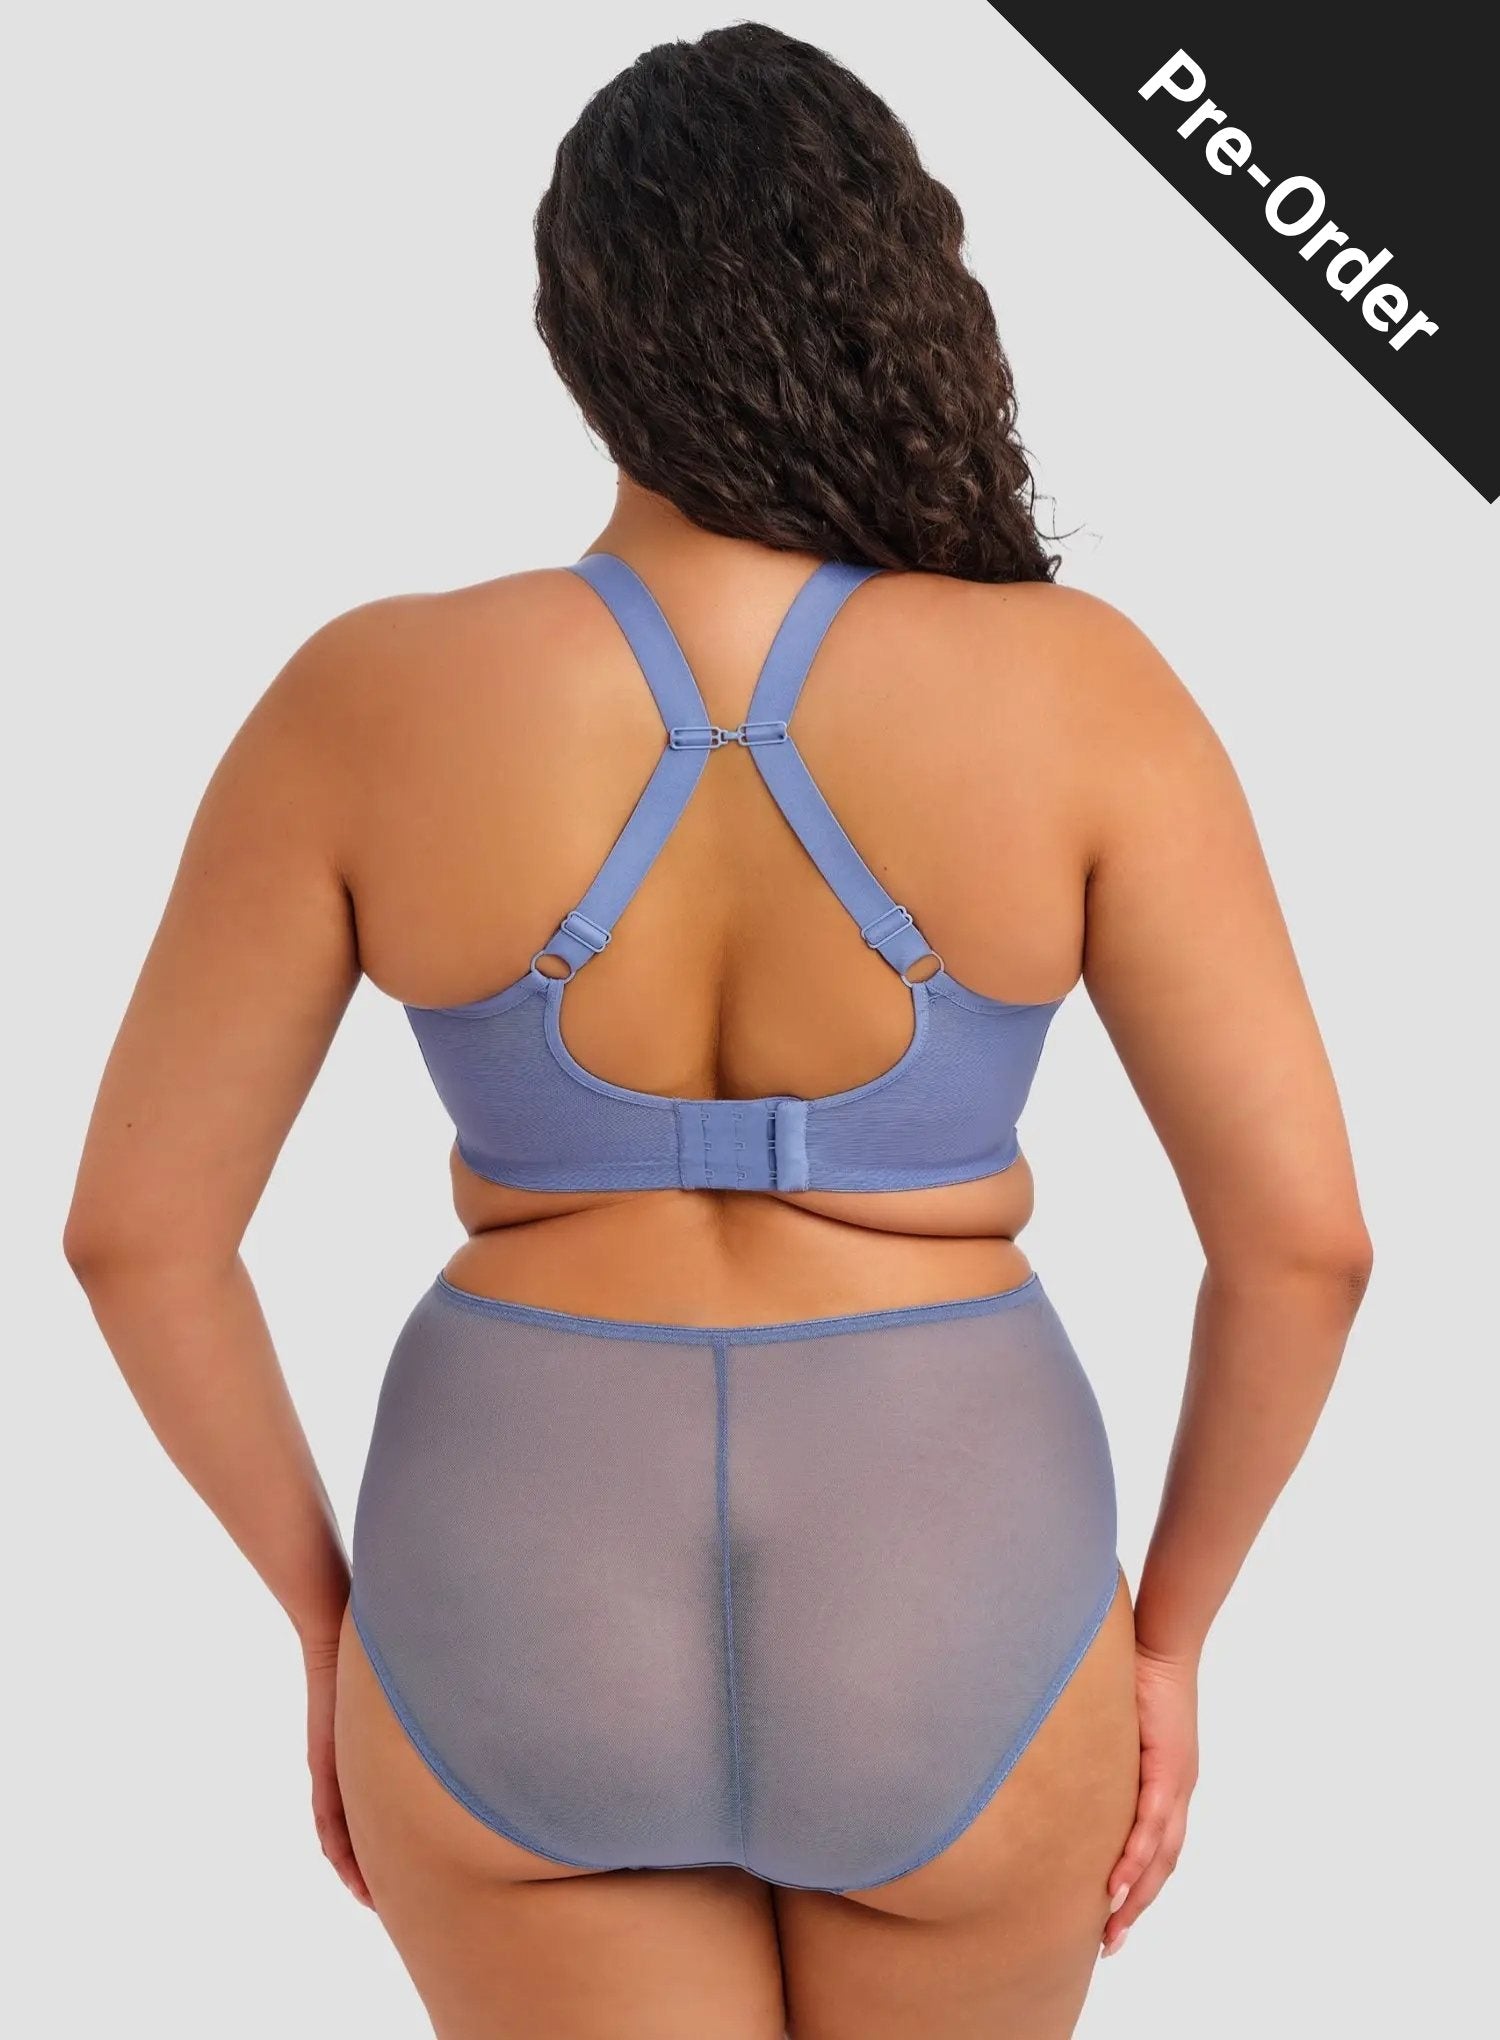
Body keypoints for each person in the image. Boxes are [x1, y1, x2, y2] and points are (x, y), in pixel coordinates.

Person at [64, 23, 1372, 2040]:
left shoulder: (367, 694)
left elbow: (136, 1235)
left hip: (510, 1572)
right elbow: (1306, 1247)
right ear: (897, 290)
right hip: (956, 1571)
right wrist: (1173, 1641)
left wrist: (327, 1627)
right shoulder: (1079, 688)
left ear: (581, 331)